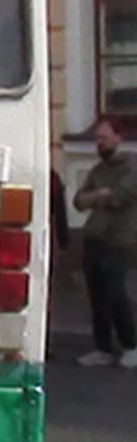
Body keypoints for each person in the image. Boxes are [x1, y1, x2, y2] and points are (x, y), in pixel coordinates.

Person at [73, 120, 137, 367]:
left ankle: (130, 344)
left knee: (115, 293)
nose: (99, 143)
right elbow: (78, 201)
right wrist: (99, 194)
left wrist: (97, 196)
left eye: (104, 138)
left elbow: (119, 197)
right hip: (94, 238)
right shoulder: (98, 170)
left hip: (119, 239)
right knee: (96, 296)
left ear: (119, 138)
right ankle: (103, 348)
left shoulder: (131, 166)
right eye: (97, 139)